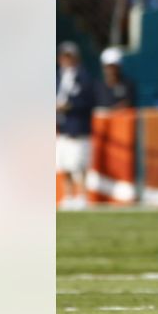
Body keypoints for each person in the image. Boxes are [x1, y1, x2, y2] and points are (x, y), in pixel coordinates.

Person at [56, 41, 97, 209]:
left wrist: (69, 105)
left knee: (79, 165)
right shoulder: (57, 77)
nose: (66, 60)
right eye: (64, 57)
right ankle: (68, 196)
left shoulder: (84, 78)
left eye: (69, 57)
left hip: (78, 127)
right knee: (64, 165)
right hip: (62, 128)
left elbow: (88, 101)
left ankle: (82, 196)